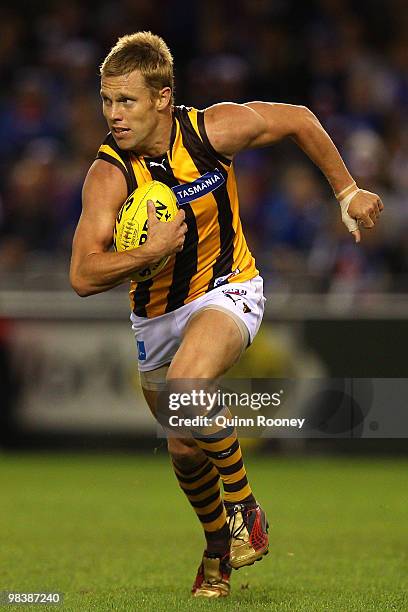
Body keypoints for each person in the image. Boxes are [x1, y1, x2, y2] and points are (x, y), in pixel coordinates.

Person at [69, 31, 384, 599]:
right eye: (107, 101)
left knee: (189, 388)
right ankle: (217, 552)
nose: (113, 115)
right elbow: (82, 275)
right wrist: (150, 251)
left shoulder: (212, 131)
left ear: (163, 98)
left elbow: (299, 119)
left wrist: (347, 192)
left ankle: (247, 511)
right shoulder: (108, 174)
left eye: (127, 101)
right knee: (185, 449)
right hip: (154, 320)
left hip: (227, 287)